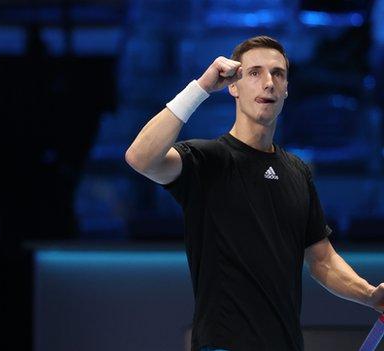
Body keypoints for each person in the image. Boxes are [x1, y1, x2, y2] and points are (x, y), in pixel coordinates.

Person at [125, 36, 384, 350]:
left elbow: (322, 261)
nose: (269, 82)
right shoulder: (207, 160)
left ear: (286, 89)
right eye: (254, 73)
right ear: (232, 85)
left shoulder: (298, 172)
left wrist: (369, 295)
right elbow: (140, 158)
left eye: (278, 74)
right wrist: (202, 87)